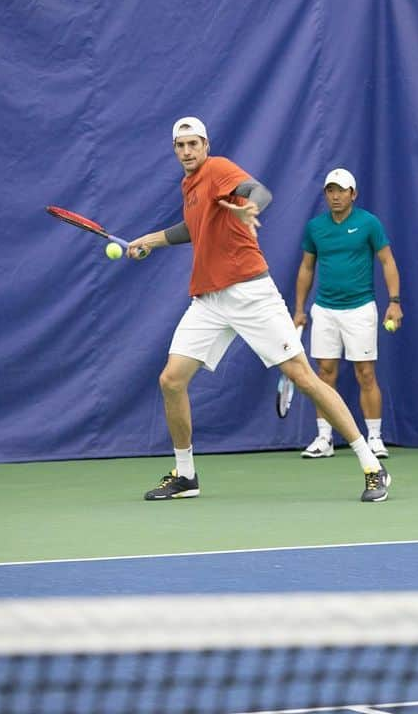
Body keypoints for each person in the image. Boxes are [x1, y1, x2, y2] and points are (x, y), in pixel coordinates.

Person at [126, 118, 391, 502]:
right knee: (171, 380)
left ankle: (372, 465)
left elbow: (257, 190)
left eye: (193, 144)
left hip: (250, 292)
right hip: (210, 299)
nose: (187, 151)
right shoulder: (189, 185)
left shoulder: (216, 169)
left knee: (304, 378)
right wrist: (149, 240)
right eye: (180, 145)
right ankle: (186, 475)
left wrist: (249, 207)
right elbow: (193, 228)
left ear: (205, 145)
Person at [292, 168, 402, 460]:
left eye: (341, 190)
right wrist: (300, 309)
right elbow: (306, 268)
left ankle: (375, 438)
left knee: (365, 373)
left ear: (353, 194)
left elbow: (387, 261)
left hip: (360, 309)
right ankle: (324, 438)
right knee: (324, 374)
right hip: (325, 310)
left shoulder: (369, 223)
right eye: (330, 190)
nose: (335, 196)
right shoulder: (315, 227)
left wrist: (394, 301)